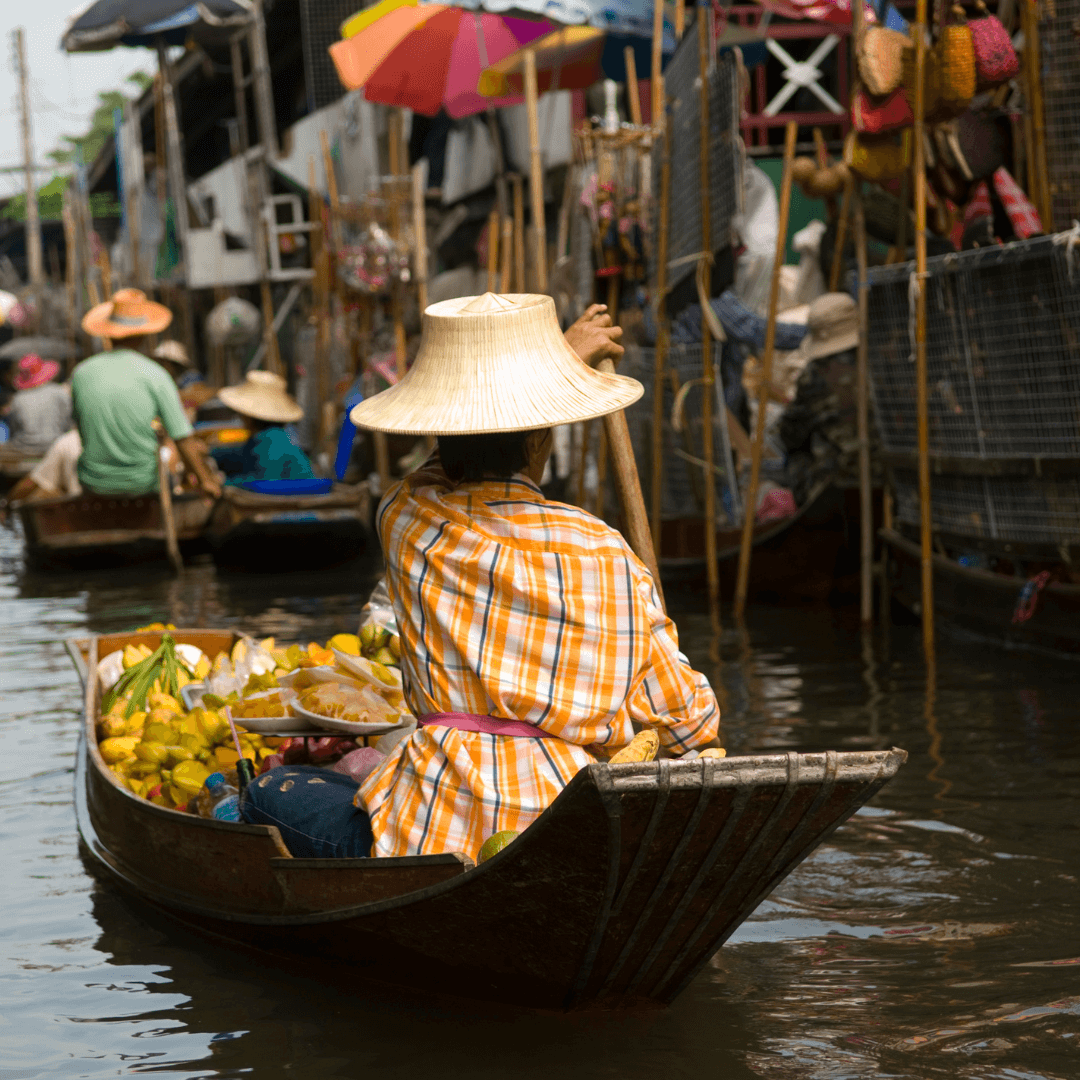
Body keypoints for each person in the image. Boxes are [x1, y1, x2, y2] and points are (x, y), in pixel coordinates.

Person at [242, 295, 721, 860]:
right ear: (540, 439)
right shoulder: (607, 549)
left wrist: (560, 363)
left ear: (441, 433)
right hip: (567, 825)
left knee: (268, 791)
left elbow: (431, 474)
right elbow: (690, 720)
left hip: (426, 833)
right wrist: (558, 372)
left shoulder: (410, 520)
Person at [73, 290, 220, 499]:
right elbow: (181, 437)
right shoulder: (155, 374)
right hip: (143, 484)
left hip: (94, 482)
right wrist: (206, 481)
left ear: (109, 333)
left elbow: (82, 428)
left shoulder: (81, 373)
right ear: (143, 334)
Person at [211, 370, 314, 486]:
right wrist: (211, 453)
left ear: (248, 417)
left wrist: (224, 482)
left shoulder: (270, 442)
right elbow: (240, 456)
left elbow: (263, 481)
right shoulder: (272, 437)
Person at [4, 354, 72, 452]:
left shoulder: (18, 399)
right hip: (55, 444)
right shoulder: (59, 392)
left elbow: (14, 428)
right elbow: (69, 421)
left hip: (24, 448)